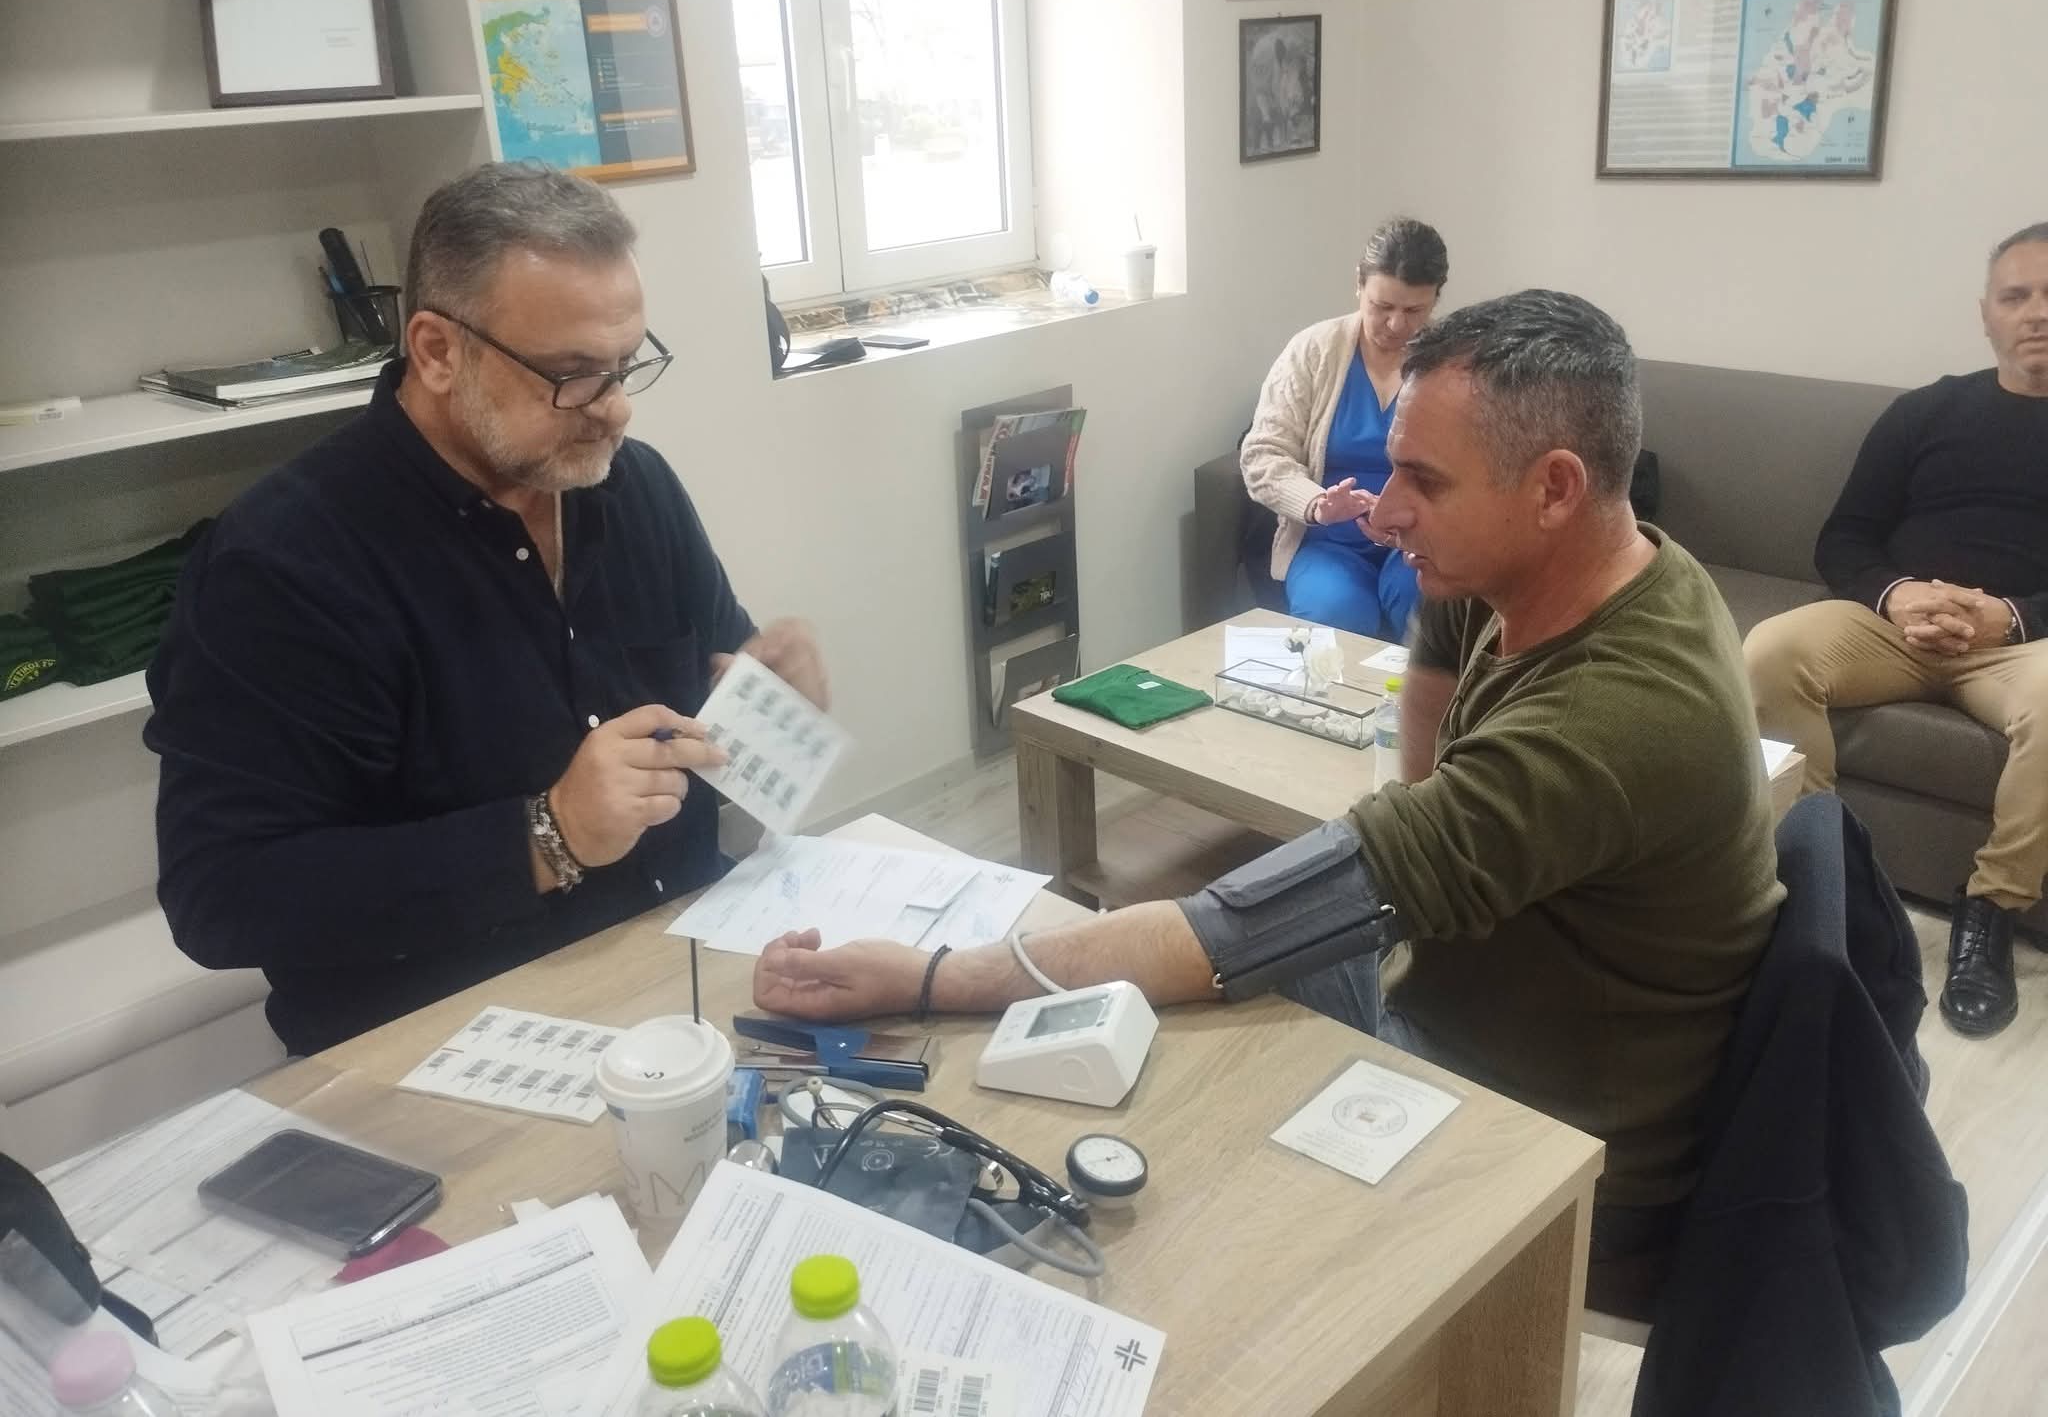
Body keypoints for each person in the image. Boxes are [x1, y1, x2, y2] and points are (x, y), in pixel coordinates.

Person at [755, 289, 1784, 1225]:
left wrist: (930, 976)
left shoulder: (1611, 719)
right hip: (1477, 1018)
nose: (1386, 511)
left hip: (1551, 1147)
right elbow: (1433, 684)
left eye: (1424, 482)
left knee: (1144, 1075)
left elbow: (1233, 926)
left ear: (1554, 488)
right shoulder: (1613, 564)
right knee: (1137, 1000)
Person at [145, 162, 826, 1055]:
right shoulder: (283, 565)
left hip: (684, 968)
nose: (616, 410)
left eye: (626, 365)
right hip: (445, 1037)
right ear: (437, 351)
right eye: (572, 375)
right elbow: (221, 895)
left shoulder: (633, 489)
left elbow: (710, 710)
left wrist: (773, 712)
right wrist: (548, 836)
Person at [1746, 221, 2048, 1039]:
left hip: (2022, 644)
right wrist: (1900, 594)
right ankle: (1820, 874)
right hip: (1892, 625)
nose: (2036, 313)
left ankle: (1992, 909)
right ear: (1985, 313)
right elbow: (1843, 536)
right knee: (1769, 651)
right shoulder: (1926, 411)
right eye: (2016, 295)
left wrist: (2011, 614)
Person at [1239, 217, 1447, 640]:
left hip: (1420, 541)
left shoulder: (1454, 364)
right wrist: (1317, 504)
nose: (1396, 325)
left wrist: (1416, 516)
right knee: (1335, 615)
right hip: (1328, 542)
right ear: (1358, 284)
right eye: (1382, 306)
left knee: (1426, 614)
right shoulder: (1313, 351)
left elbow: (1480, 470)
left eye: (1414, 311)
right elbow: (1262, 455)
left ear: (1436, 298)